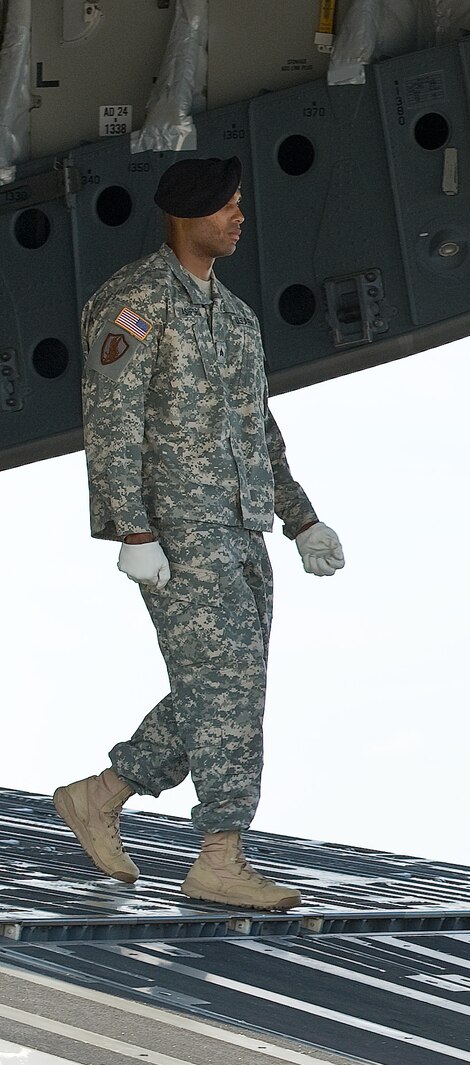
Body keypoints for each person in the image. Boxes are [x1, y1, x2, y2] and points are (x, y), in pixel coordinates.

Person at [52, 157, 344, 912]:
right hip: (179, 530)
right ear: (188, 217)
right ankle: (220, 853)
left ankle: (102, 794)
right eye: (227, 208)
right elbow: (112, 420)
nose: (239, 218)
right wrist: (132, 527)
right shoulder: (138, 302)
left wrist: (300, 515)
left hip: (244, 526)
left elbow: (259, 427)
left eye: (240, 205)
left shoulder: (236, 317)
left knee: (225, 687)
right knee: (230, 685)